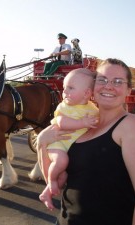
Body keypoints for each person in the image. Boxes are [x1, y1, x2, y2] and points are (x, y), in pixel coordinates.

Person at [37, 58, 135, 225]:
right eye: (102, 80)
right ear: (92, 88)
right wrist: (42, 144)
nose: (108, 86)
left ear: (128, 90)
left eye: (117, 81)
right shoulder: (82, 124)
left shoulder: (132, 126)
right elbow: (56, 179)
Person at [39, 68, 99, 211]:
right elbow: (61, 122)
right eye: (64, 87)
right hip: (57, 143)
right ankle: (51, 181)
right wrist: (82, 123)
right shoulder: (64, 106)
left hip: (68, 146)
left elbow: (98, 122)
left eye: (70, 88)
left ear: (87, 93)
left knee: (64, 176)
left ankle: (46, 193)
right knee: (61, 161)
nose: (64, 91)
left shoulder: (93, 109)